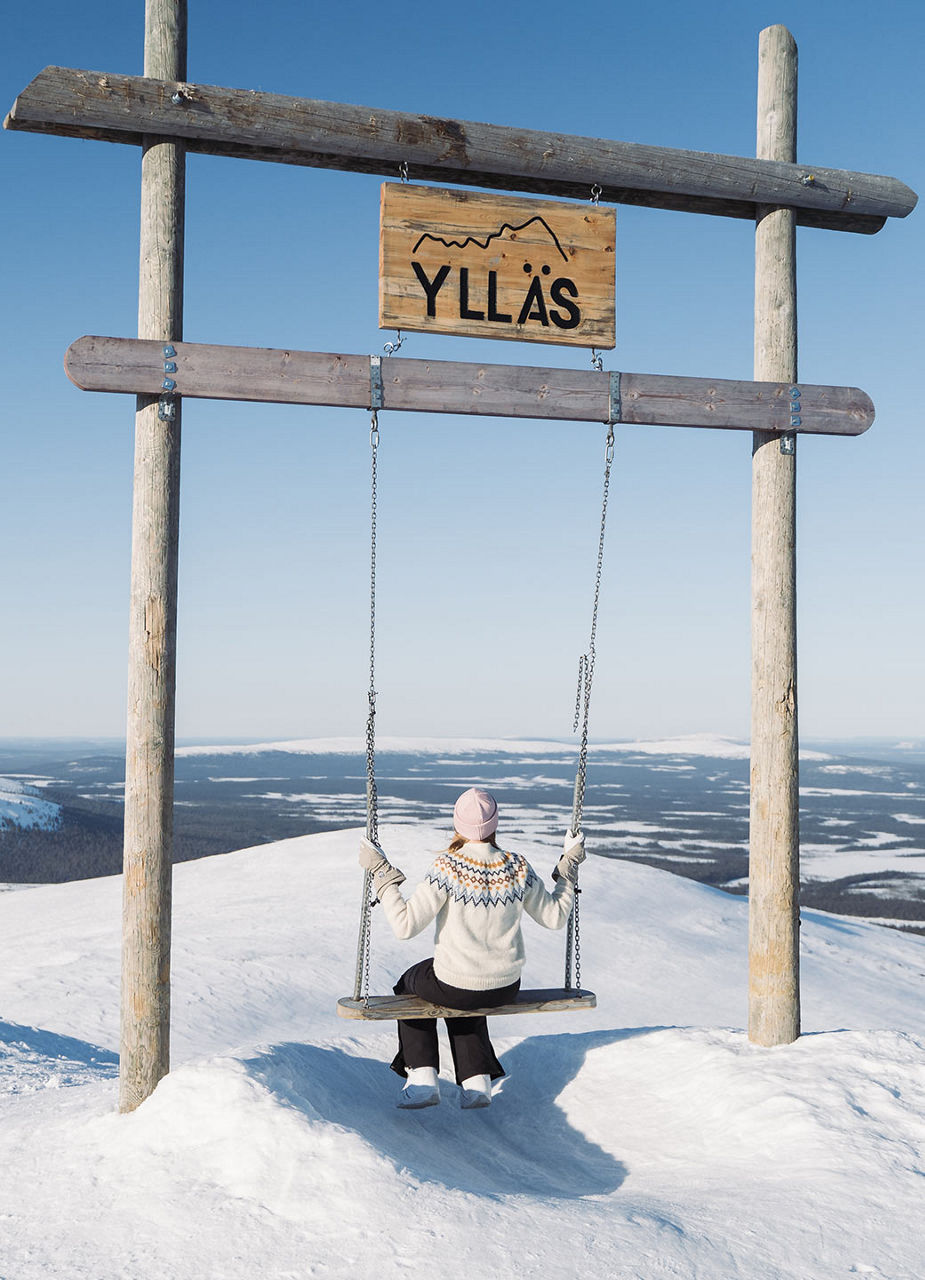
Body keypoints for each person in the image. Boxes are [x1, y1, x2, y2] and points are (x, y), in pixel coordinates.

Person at [358, 786, 586, 1110]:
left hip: (456, 983)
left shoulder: (448, 867)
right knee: (464, 989)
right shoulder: (517, 866)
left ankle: (422, 1078)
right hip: (505, 986)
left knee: (413, 984)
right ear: (495, 825)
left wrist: (382, 873)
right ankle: (476, 1080)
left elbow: (404, 926)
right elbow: (555, 917)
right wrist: (569, 866)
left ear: (456, 825)